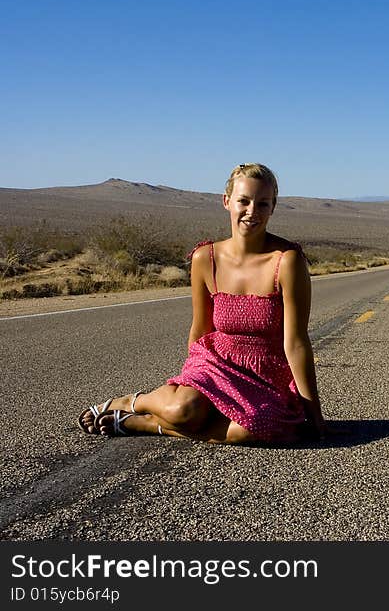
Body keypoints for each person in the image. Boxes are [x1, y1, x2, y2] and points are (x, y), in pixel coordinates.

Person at [77, 163, 327, 444]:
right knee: (185, 409)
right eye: (243, 201)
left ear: (273, 207)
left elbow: (295, 343)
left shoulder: (287, 261)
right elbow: (200, 329)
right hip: (215, 364)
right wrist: (189, 385)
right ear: (227, 201)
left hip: (266, 374)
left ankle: (146, 425)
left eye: (262, 204)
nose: (251, 211)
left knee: (255, 427)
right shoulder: (204, 259)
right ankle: (134, 402)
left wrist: (314, 415)